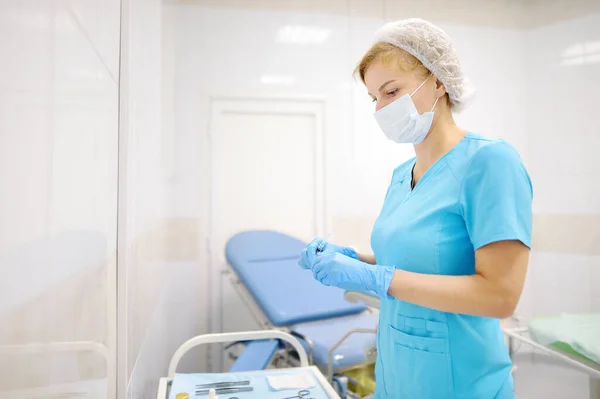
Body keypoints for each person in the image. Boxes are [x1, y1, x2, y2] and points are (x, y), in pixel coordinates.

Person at [298, 18, 532, 399]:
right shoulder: (400, 176)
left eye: (391, 91)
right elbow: (420, 260)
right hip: (397, 379)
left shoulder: (490, 162)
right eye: (375, 98)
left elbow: (500, 296)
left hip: (460, 382)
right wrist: (356, 260)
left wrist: (377, 279)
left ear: (438, 82)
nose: (381, 108)